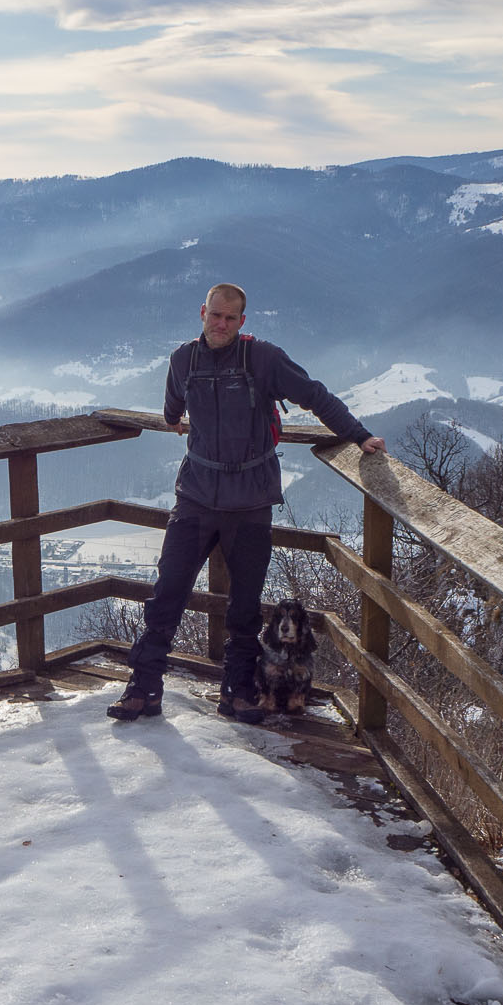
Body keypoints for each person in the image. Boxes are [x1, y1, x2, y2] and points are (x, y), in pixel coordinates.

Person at [109, 283, 385, 724]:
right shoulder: (184, 359)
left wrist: (360, 435)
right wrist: (176, 420)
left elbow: (315, 395)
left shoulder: (264, 359)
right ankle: (143, 688)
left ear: (242, 321)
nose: (220, 325)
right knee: (167, 596)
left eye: (230, 318)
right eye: (215, 316)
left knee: (244, 606)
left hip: (251, 501)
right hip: (196, 496)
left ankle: (237, 691)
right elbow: (171, 410)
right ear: (202, 312)